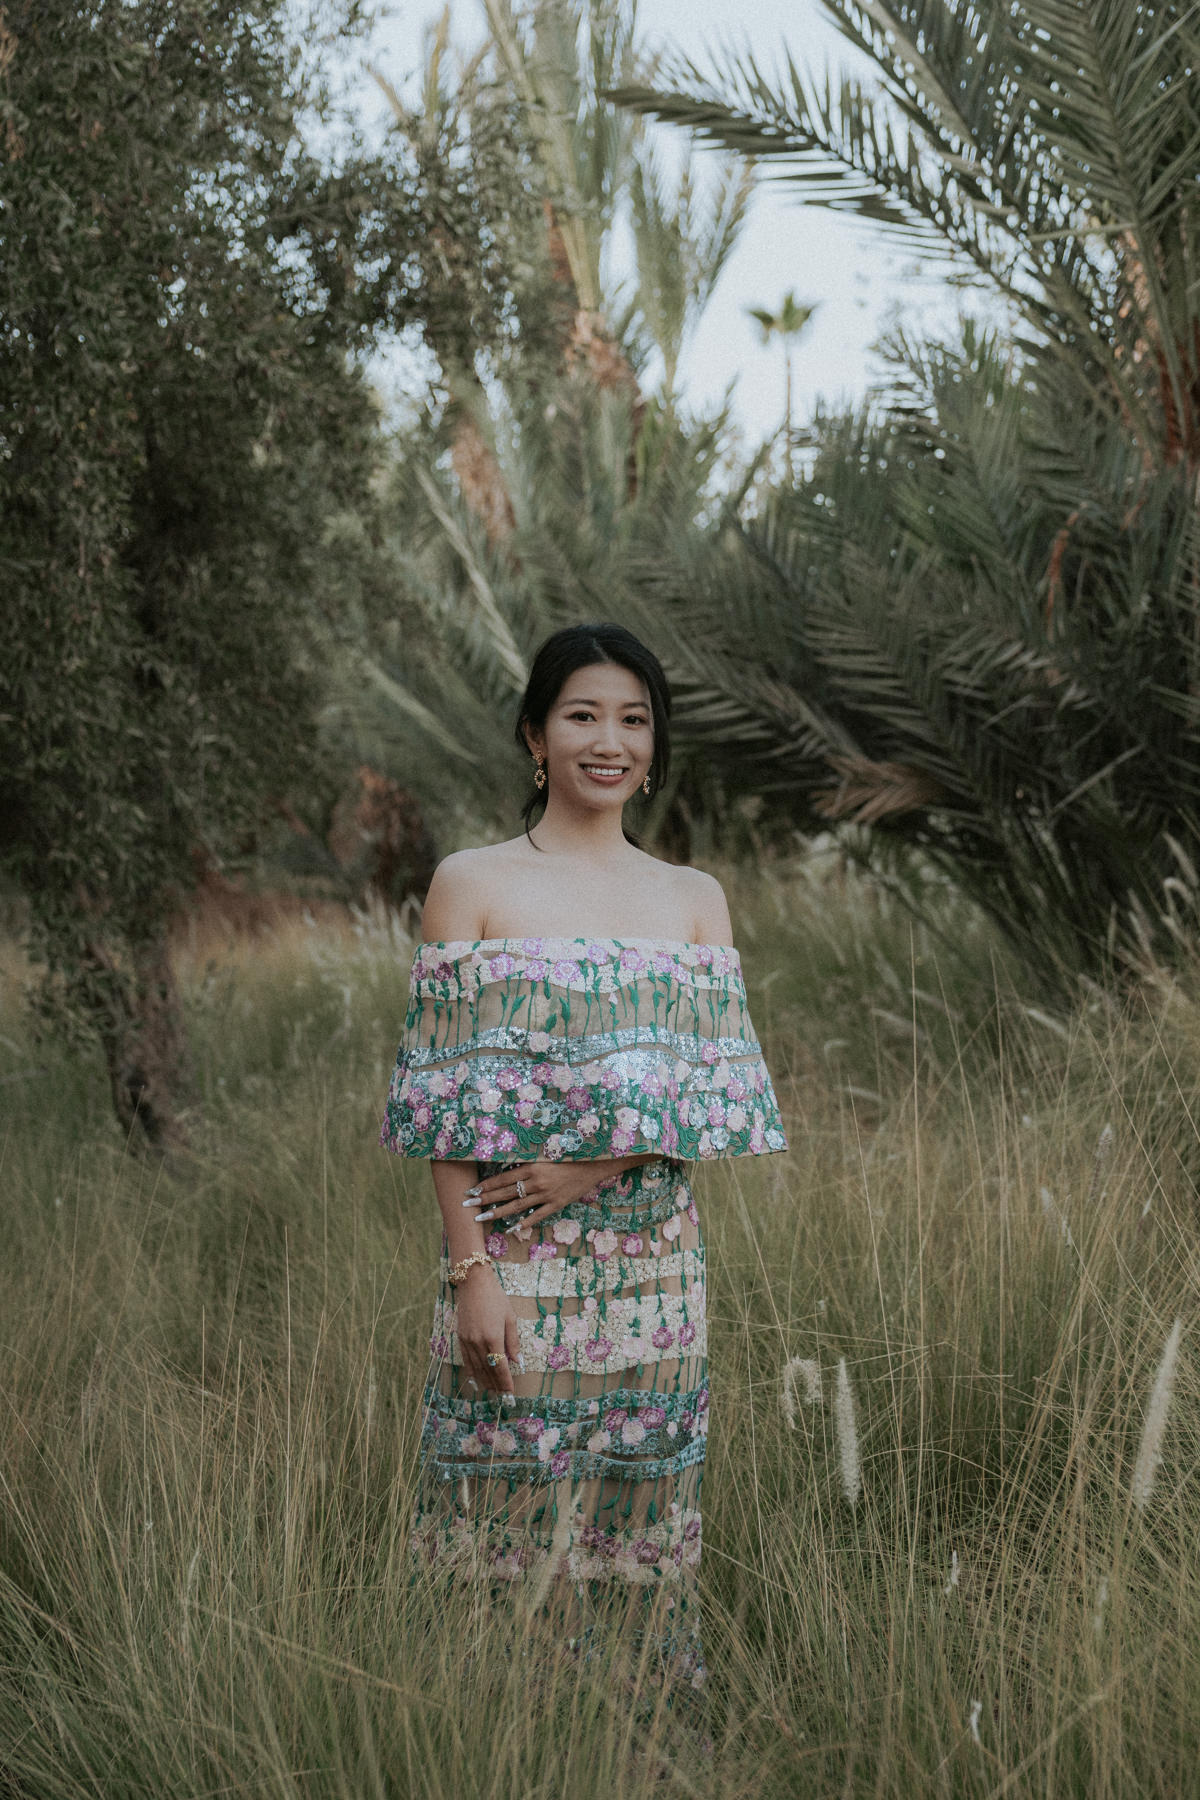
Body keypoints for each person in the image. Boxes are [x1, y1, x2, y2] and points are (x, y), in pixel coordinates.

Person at [380, 621, 787, 1692]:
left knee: (639, 1507)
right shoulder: (470, 883)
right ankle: (490, 1731)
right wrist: (473, 1276)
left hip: (652, 1269)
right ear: (535, 737)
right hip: (511, 1265)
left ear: (654, 745)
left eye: (635, 720)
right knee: (497, 1503)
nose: (611, 741)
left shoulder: (691, 899)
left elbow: (723, 1095)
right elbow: (440, 1103)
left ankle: (645, 1732)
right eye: (584, 715)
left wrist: (590, 1169)